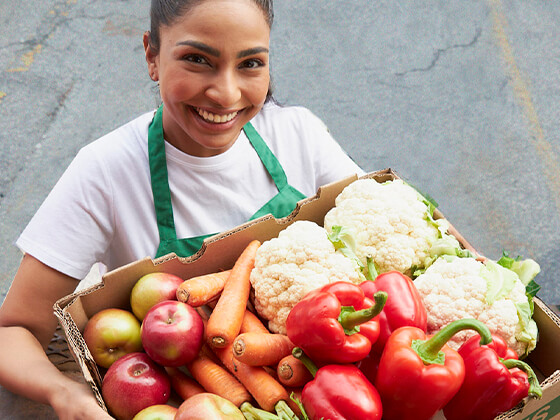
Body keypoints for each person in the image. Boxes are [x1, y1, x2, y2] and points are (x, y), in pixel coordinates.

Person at [0, 0, 364, 418]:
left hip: (331, 385)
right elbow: (13, 331)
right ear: (152, 56)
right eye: (197, 59)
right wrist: (66, 396)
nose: (226, 93)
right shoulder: (106, 171)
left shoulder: (299, 135)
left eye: (250, 64)